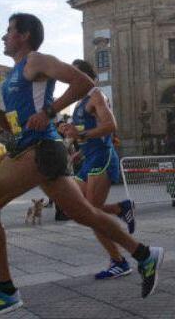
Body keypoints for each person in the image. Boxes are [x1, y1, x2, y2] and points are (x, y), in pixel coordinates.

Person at [0, 13, 164, 318]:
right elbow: (10, 126)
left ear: (25, 35)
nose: (4, 37)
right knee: (84, 213)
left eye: (9, 31)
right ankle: (144, 254)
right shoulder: (13, 77)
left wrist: (49, 110)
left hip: (39, 149)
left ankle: (5, 291)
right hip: (34, 148)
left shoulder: (36, 60)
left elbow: (84, 81)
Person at [59, 58, 137, 280]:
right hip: (89, 158)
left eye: (72, 77)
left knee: (91, 213)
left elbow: (111, 126)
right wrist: (77, 145)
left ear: (84, 77)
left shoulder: (96, 95)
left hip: (102, 158)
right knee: (77, 208)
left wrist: (79, 135)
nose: (69, 82)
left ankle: (119, 261)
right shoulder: (79, 102)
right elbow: (87, 131)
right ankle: (121, 209)